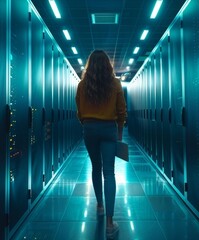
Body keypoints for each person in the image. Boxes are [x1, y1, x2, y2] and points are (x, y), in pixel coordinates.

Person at [75, 50, 126, 238]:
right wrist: (119, 132)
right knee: (109, 172)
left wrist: (87, 123)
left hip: (89, 129)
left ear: (90, 65)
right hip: (109, 129)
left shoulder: (82, 85)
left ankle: (99, 206)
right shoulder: (115, 84)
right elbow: (122, 110)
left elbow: (79, 110)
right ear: (107, 65)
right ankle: (110, 224)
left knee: (96, 167)